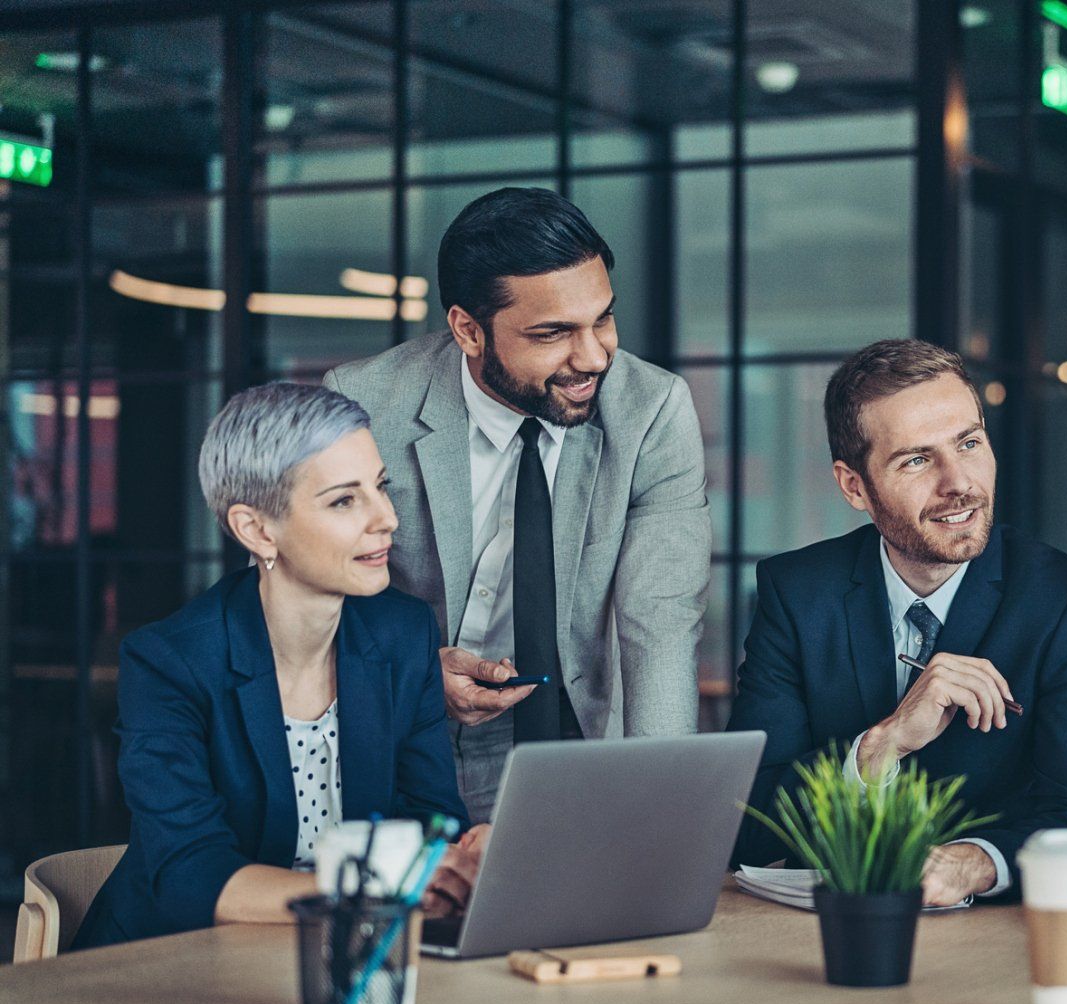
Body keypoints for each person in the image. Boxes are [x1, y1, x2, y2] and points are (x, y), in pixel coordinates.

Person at [323, 186, 711, 821]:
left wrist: (657, 806)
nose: (593, 357)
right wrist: (416, 672)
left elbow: (661, 622)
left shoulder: (651, 411)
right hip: (402, 728)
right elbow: (316, 595)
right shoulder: (366, 406)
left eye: (603, 319)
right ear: (469, 331)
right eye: (553, 332)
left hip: (571, 735)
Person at [75, 384, 479, 949]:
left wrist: (451, 858)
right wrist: (366, 890)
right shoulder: (168, 662)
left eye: (380, 487)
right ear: (258, 530)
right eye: (344, 500)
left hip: (342, 952)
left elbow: (430, 815)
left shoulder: (403, 633)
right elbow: (192, 874)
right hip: (170, 964)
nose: (386, 518)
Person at [726, 338, 1067, 905]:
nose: (958, 481)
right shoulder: (797, 594)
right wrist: (881, 744)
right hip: (822, 933)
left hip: (999, 939)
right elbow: (748, 820)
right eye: (917, 459)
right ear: (853, 486)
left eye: (969, 443)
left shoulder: (1064, 599)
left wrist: (975, 863)